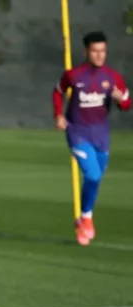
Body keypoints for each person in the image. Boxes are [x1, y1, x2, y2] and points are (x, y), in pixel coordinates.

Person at [53, 31, 130, 245]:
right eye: (95, 51)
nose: (99, 55)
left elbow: (126, 105)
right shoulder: (74, 75)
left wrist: (121, 98)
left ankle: (83, 218)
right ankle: (87, 218)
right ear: (87, 51)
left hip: (101, 136)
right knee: (93, 174)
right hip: (78, 132)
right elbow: (58, 91)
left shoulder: (113, 77)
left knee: (97, 177)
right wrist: (58, 115)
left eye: (103, 51)